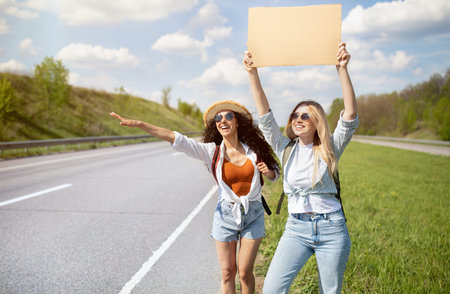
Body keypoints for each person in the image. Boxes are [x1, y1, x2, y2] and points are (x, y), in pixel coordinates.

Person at [110, 100, 279, 294]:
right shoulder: (212, 151)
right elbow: (177, 138)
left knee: (244, 272)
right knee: (227, 273)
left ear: (237, 121)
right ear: (215, 124)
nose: (223, 120)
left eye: (228, 116)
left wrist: (269, 173)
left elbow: (275, 174)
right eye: (218, 118)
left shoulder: (254, 151)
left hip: (253, 214)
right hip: (226, 216)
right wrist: (141, 125)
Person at [243, 42, 359, 293]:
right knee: (272, 289)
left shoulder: (330, 148)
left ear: (316, 120)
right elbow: (265, 116)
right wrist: (253, 73)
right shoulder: (286, 149)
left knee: (329, 291)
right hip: (296, 229)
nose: (297, 119)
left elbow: (349, 114)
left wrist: (341, 69)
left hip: (332, 229)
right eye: (295, 116)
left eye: (305, 115)